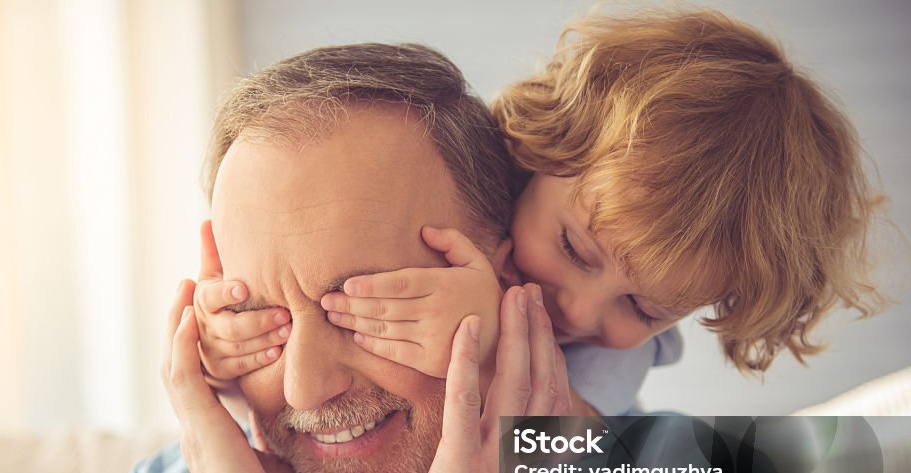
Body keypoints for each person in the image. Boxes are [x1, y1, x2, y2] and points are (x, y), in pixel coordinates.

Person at [33, 42, 837, 473]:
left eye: (366, 302)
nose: (574, 313)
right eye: (261, 312)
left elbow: (818, 456)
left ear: (488, 261)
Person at [198, 9, 885, 417]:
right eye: (577, 250)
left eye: (643, 309)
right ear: (538, 149)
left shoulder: (613, 371)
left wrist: (496, 355)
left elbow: (587, 462)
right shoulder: (443, 195)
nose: (581, 314)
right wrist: (238, 341)